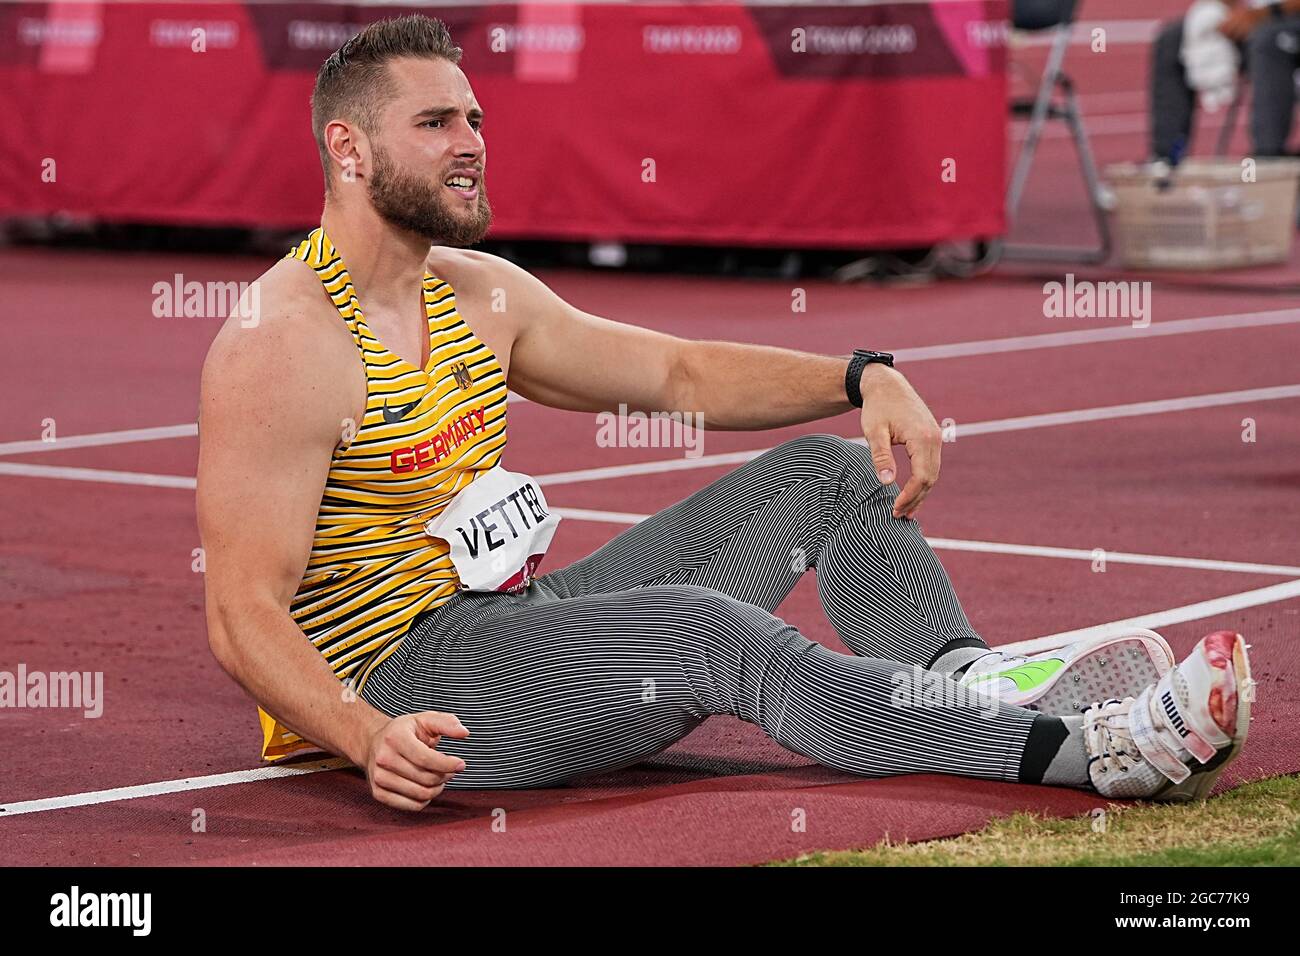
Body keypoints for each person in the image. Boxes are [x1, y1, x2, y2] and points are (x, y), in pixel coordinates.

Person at [197, 15, 1255, 812]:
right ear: (347, 150)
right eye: (434, 123)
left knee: (830, 476)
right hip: (405, 686)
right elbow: (242, 609)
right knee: (712, 635)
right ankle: (1094, 750)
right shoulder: (280, 342)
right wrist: (363, 732)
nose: (471, 140)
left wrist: (861, 374)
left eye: (475, 116)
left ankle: (960, 680)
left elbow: (680, 373)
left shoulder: (478, 291)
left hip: (507, 618)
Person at [1151, 0, 1300, 162]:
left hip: (1284, 19)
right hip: (1259, 17)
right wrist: (1225, 10)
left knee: (1269, 42)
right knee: (1174, 38)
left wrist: (1261, 14)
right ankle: (1167, 155)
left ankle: (1269, 153)